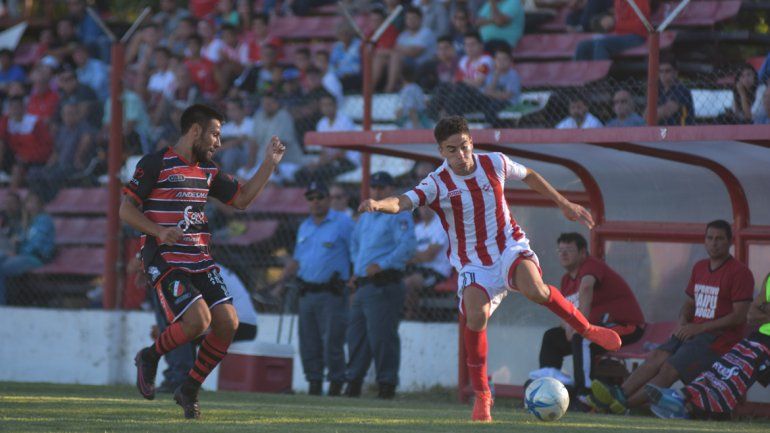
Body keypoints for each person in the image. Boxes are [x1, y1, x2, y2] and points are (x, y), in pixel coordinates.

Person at [357, 116, 621, 421]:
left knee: (535, 290)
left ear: (472, 143)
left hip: (509, 246)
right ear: (441, 151)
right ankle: (482, 395)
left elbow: (530, 175)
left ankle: (588, 329)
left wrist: (563, 203)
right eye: (451, 150)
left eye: (464, 147)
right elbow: (403, 201)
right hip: (472, 262)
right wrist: (379, 205)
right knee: (476, 315)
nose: (460, 155)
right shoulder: (437, 183)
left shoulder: (494, 163)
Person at [121, 104, 286, 419]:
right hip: (165, 258)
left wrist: (269, 164)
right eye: (215, 133)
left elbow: (242, 199)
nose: (218, 142)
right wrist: (158, 231)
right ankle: (150, 356)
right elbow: (125, 210)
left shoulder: (208, 170)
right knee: (198, 321)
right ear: (195, 130)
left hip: (200, 258)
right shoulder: (155, 163)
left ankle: (189, 389)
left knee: (228, 323)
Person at [590, 220, 754, 414]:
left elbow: (739, 316)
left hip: (717, 339)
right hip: (692, 332)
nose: (714, 243)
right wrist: (684, 319)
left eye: (719, 239)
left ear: (730, 242)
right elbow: (690, 303)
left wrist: (698, 328)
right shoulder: (700, 267)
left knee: (668, 369)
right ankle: (620, 394)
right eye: (710, 238)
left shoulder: (740, 273)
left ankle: (625, 406)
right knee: (656, 356)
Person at [646, 273, 770, 420]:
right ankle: (684, 397)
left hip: (764, 345)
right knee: (723, 365)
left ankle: (689, 406)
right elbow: (752, 314)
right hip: (761, 337)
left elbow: (755, 313)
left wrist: (765, 311)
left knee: (740, 367)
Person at [535, 232, 645, 398]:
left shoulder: (591, 265)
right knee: (551, 338)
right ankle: (549, 390)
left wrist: (579, 326)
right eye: (560, 250)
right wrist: (567, 326)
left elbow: (586, 287)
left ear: (583, 252)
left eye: (569, 250)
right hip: (593, 328)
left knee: (583, 337)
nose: (563, 254)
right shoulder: (566, 279)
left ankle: (585, 394)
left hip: (626, 327)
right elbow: (564, 309)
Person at [272, 181, 354, 396]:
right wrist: (280, 284)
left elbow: (356, 252)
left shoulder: (343, 223)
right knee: (308, 343)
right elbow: (298, 260)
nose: (315, 202)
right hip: (307, 293)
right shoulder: (304, 226)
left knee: (332, 343)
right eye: (311, 198)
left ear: (328, 199)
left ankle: (336, 385)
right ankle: (314, 385)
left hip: (332, 293)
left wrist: (354, 280)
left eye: (319, 197)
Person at [345, 171, 416, 400]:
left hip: (385, 283)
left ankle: (386, 386)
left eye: (382, 187)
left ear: (391, 190)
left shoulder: (398, 215)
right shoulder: (365, 216)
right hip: (364, 284)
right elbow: (355, 245)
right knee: (357, 336)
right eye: (374, 187)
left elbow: (407, 246)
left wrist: (382, 265)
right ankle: (353, 383)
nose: (376, 191)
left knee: (382, 337)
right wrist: (357, 270)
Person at [0, 191, 55, 305]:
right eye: (28, 202)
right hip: (19, 257)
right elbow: (19, 240)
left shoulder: (44, 220)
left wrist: (19, 251)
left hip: (34, 258)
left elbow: (37, 245)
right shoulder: (26, 223)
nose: (30, 205)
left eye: (33, 202)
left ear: (40, 204)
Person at [403, 205, 452, 320]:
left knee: (410, 282)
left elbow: (429, 256)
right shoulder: (417, 228)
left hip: (438, 271)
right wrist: (415, 257)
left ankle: (410, 316)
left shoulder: (440, 225)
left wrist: (411, 258)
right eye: (421, 207)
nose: (424, 209)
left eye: (428, 206)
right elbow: (407, 253)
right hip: (418, 268)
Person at [574, 0, 648, 60]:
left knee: (601, 44)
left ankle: (601, 77)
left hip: (637, 36)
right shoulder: (618, 1)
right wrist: (607, 21)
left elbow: (641, 26)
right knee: (583, 46)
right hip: (619, 35)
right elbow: (617, 20)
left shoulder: (640, 1)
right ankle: (581, 78)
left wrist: (614, 23)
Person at [656, 56, 694, 126]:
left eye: (667, 71)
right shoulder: (658, 91)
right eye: (661, 71)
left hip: (682, 133)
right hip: (663, 133)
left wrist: (654, 113)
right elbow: (645, 116)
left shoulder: (681, 90)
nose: (663, 75)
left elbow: (667, 111)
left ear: (675, 73)